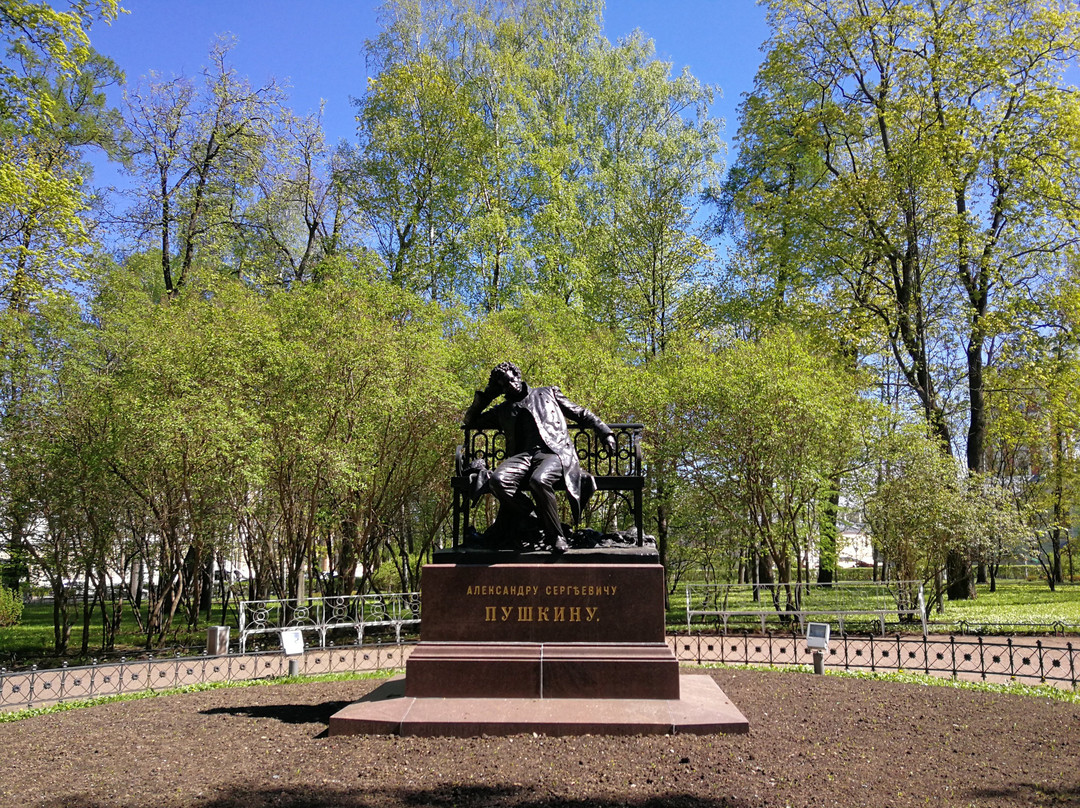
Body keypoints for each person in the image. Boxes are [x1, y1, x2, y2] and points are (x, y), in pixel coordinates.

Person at [463, 362, 616, 551]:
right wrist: (486, 396)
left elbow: (580, 413)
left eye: (511, 380)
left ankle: (557, 536)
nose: (509, 385)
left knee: (539, 480)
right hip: (523, 456)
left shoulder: (548, 393)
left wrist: (605, 432)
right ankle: (533, 514)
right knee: (497, 480)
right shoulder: (502, 409)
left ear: (518, 376)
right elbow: (470, 421)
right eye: (503, 385)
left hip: (553, 452)